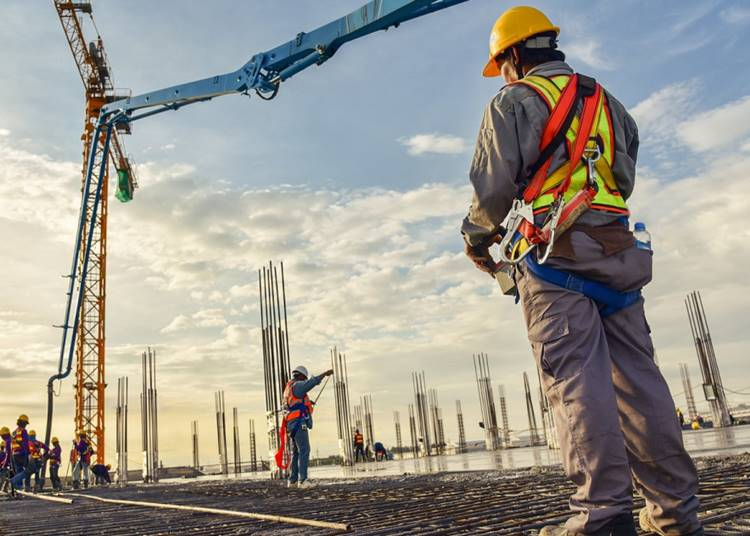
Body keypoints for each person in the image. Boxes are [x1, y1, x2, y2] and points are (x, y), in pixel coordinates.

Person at [462, 7, 702, 536]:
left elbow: (492, 190)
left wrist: (476, 239)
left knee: (577, 385)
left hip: (554, 259)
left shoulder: (513, 102)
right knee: (642, 386)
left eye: (501, 63)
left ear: (514, 55)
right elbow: (622, 177)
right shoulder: (608, 104)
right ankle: (676, 514)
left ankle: (602, 516)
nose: (501, 73)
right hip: (618, 255)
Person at [283, 365, 333, 488]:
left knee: (296, 452)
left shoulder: (289, 388)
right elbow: (311, 383)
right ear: (300, 376)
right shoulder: (298, 385)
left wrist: (307, 404)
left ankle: (293, 481)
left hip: (291, 424)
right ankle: (303, 480)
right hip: (298, 423)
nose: (305, 380)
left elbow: (294, 404)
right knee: (304, 450)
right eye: (304, 378)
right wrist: (324, 374)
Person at [9, 414, 31, 491]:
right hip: (22, 453)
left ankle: (19, 487)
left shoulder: (14, 432)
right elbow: (26, 444)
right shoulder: (23, 431)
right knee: (29, 470)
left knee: (19, 470)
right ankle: (15, 481)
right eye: (25, 423)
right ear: (23, 423)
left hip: (15, 454)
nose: (26, 425)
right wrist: (29, 453)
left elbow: (12, 445)